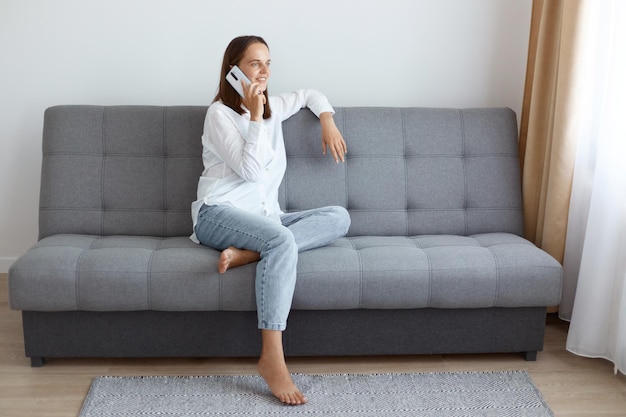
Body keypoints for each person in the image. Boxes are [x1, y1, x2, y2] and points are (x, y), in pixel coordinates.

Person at [190, 35, 351, 405]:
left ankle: (250, 254)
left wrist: (327, 120)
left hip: (266, 219)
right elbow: (249, 171)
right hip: (218, 214)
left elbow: (311, 94)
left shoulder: (275, 105)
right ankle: (272, 357)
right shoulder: (219, 115)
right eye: (254, 64)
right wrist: (257, 118)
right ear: (233, 70)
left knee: (338, 217)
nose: (264, 71)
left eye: (267, 63)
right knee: (280, 241)